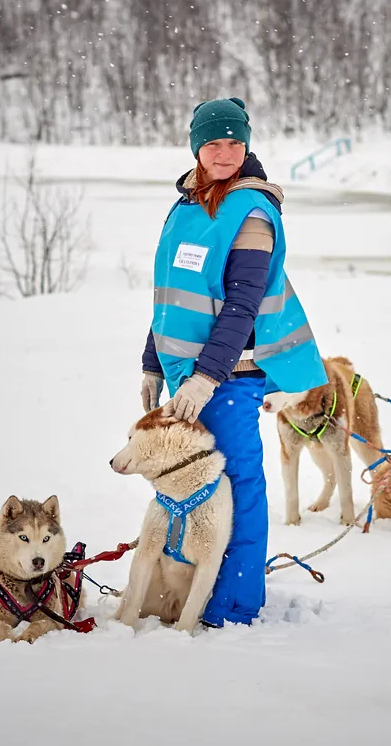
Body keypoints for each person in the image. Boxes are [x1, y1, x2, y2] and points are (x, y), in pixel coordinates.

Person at [139, 97, 329, 628]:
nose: (224, 153)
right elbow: (172, 294)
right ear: (195, 147)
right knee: (191, 485)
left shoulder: (251, 211)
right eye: (213, 143)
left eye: (234, 143)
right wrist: (153, 362)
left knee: (237, 486)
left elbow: (242, 305)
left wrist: (206, 378)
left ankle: (234, 605)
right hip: (185, 376)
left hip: (229, 375)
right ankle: (188, 588)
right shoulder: (187, 205)